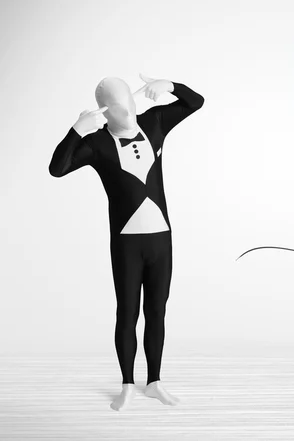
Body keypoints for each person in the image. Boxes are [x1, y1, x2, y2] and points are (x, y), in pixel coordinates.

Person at [49, 73, 205, 411]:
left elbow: (196, 102)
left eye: (131, 101)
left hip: (162, 240)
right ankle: (127, 385)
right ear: (104, 111)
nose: (131, 111)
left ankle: (155, 382)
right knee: (128, 313)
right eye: (120, 107)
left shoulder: (155, 121)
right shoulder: (97, 145)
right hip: (126, 244)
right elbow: (57, 169)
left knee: (157, 312)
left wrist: (170, 85)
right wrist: (77, 130)